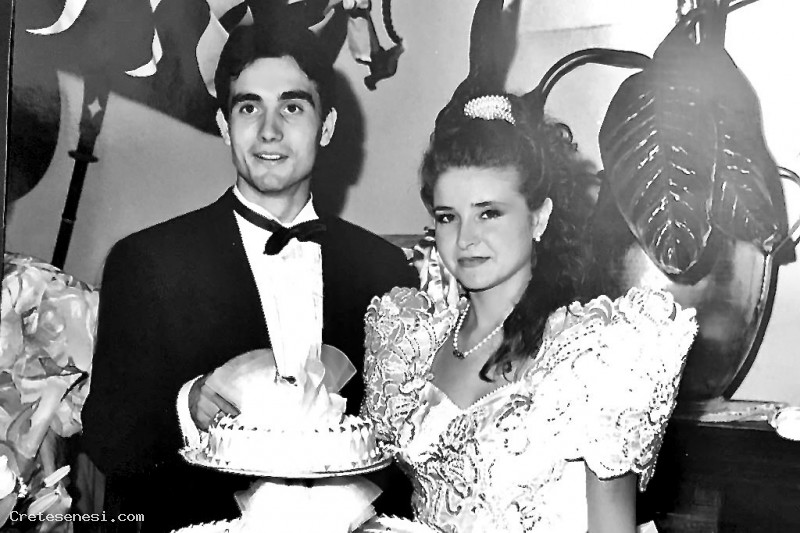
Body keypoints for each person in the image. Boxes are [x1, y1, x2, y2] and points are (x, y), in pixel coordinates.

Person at [81, 20, 417, 531]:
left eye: (292, 107)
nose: (269, 130)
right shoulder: (147, 262)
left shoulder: (385, 269)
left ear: (326, 127)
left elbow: (406, 452)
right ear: (224, 126)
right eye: (248, 107)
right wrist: (186, 407)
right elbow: (108, 439)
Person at [358, 87, 698, 532]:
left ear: (539, 217)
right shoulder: (411, 344)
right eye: (447, 216)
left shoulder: (594, 354)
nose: (465, 239)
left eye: (489, 213)